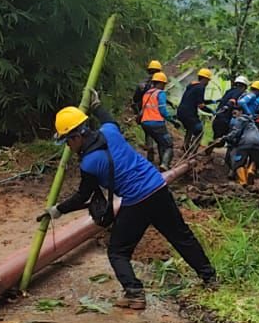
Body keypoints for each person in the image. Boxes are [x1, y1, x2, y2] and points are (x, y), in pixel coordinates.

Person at [38, 99, 216, 310]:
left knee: (118, 251)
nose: (68, 146)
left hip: (137, 202)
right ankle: (210, 278)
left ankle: (134, 293)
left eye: (68, 141)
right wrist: (96, 104)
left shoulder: (89, 163)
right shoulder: (110, 132)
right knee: (181, 235)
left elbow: (82, 196)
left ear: (76, 136)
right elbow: (108, 118)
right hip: (158, 189)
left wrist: (58, 209)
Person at [213, 103, 259, 185]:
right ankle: (250, 171)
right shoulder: (251, 121)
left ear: (241, 111)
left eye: (235, 113)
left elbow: (235, 133)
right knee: (254, 160)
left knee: (238, 163)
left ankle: (243, 181)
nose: (234, 116)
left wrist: (224, 138)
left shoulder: (240, 119)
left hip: (246, 143)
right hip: (258, 143)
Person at [139, 72, 174, 168]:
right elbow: (162, 110)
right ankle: (165, 164)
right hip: (157, 122)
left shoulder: (147, 93)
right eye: (164, 84)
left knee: (160, 142)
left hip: (145, 123)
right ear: (160, 83)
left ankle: (157, 161)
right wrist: (172, 120)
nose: (164, 86)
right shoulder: (160, 93)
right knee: (168, 145)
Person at [176, 67, 214, 146]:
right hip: (188, 114)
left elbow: (196, 100)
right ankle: (191, 151)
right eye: (208, 80)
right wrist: (212, 112)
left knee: (190, 128)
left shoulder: (192, 86)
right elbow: (200, 105)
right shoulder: (201, 87)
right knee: (199, 131)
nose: (208, 83)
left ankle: (185, 146)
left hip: (180, 112)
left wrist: (211, 101)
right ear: (205, 79)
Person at [212, 74, 249, 140]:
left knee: (217, 139)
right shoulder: (239, 92)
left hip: (217, 119)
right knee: (224, 141)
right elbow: (232, 101)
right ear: (244, 86)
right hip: (225, 121)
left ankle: (210, 147)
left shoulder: (228, 91)